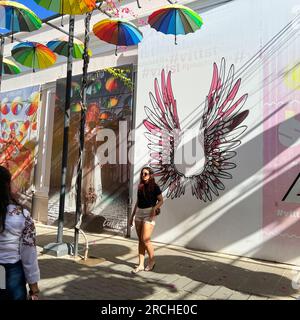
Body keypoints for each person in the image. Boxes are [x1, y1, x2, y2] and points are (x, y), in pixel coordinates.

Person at [0, 166, 40, 300]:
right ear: (7, 185)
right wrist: (34, 288)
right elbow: (29, 254)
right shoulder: (22, 216)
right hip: (12, 275)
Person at [129, 167, 163, 273]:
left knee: (146, 239)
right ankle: (140, 265)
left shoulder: (155, 187)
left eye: (146, 173)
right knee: (140, 241)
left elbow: (161, 200)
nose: (143, 175)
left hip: (149, 213)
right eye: (142, 174)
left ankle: (152, 261)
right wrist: (132, 216)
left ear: (150, 175)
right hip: (139, 212)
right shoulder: (140, 186)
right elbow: (137, 202)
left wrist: (154, 208)